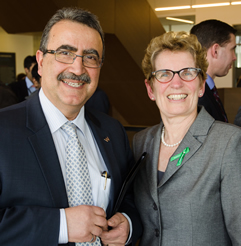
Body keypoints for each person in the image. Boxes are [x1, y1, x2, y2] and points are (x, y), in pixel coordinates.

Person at [0, 7, 142, 246]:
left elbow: (130, 197)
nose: (78, 69)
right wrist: (61, 225)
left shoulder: (112, 131)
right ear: (41, 61)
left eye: (90, 57)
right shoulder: (4, 130)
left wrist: (128, 223)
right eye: (65, 53)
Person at [133, 31, 241, 245]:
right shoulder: (140, 142)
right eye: (164, 74)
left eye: (188, 72)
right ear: (150, 89)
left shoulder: (229, 143)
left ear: (201, 85)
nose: (176, 83)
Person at [190, 19, 237, 122]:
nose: (234, 57)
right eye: (232, 49)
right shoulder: (196, 96)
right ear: (215, 51)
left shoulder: (208, 90)